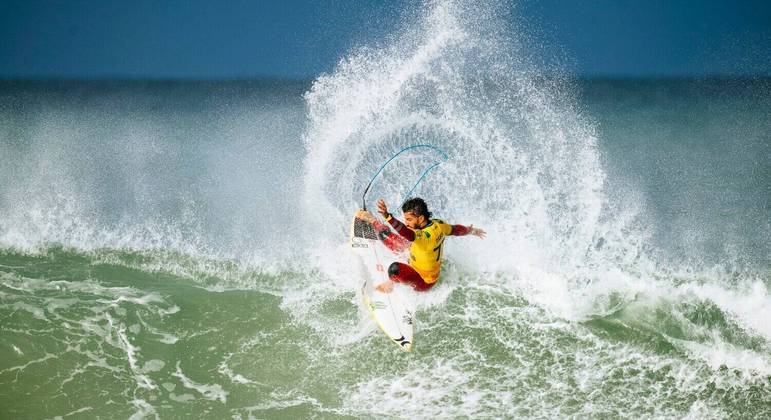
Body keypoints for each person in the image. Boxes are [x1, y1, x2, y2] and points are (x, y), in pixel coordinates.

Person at [356, 197, 485, 293]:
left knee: (394, 269)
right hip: (414, 255)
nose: (406, 223)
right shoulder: (438, 224)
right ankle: (372, 220)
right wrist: (470, 230)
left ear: (421, 219)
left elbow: (407, 234)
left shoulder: (425, 237)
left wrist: (388, 217)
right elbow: (455, 229)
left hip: (423, 281)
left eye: (409, 220)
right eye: (406, 219)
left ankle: (390, 284)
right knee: (384, 235)